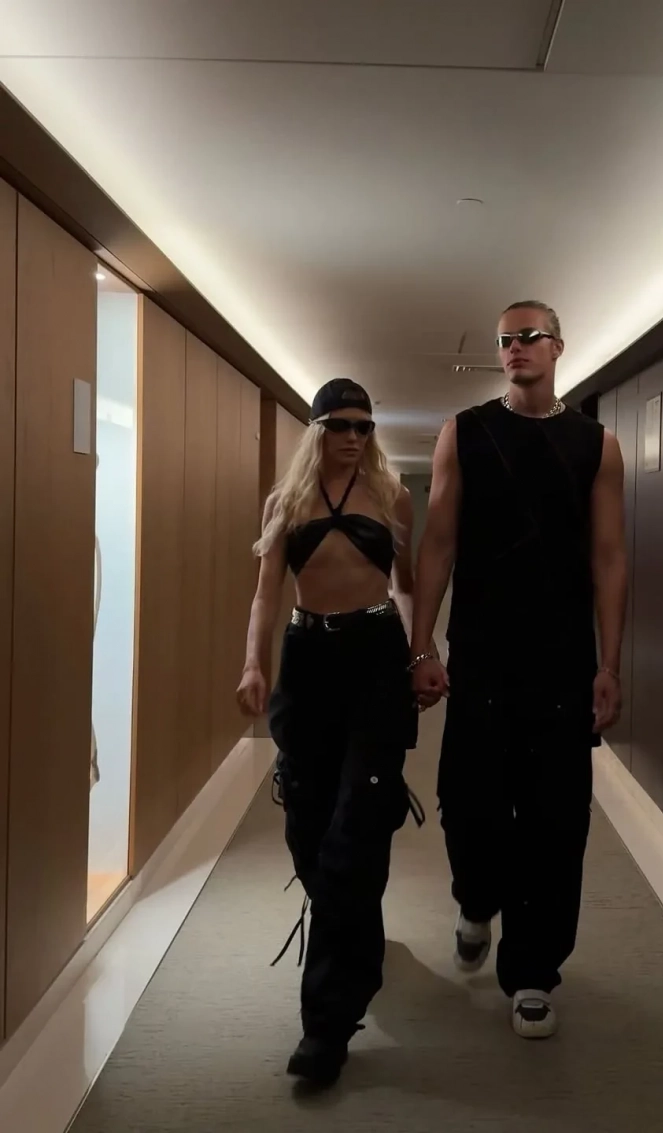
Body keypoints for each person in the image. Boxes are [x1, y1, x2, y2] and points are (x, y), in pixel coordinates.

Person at [410, 300, 627, 1040]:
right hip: (482, 652)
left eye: (529, 336)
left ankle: (533, 970)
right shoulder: (465, 432)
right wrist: (422, 645)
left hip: (562, 660)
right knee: (469, 805)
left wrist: (609, 662)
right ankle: (477, 900)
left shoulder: (596, 444)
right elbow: (438, 542)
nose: (515, 348)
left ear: (558, 346)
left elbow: (609, 557)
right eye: (505, 340)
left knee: (555, 818)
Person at [237, 378, 428, 1087]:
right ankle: (359, 939)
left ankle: (326, 1025)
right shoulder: (285, 503)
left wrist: (420, 653)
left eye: (364, 426)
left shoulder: (392, 497)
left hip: (375, 658)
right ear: (317, 431)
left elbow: (407, 583)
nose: (354, 437)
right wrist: (253, 664)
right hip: (308, 660)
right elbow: (265, 593)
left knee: (354, 834)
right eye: (341, 425)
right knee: (310, 830)